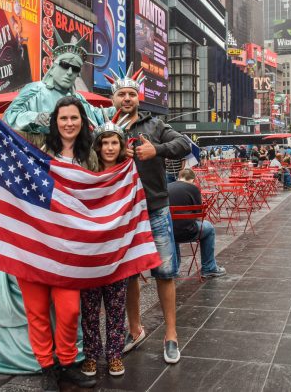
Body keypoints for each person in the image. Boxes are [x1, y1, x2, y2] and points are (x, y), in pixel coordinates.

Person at [0, 35, 106, 376]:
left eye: (76, 68)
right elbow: (11, 122)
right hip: (31, 200)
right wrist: (39, 119)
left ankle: (67, 357)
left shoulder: (80, 104)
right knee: (31, 299)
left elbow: (102, 136)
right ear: (52, 65)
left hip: (68, 212)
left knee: (69, 305)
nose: (71, 72)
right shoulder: (33, 91)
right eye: (65, 66)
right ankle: (45, 363)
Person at [107, 68, 191, 365]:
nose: (127, 98)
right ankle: (134, 329)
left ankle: (171, 336)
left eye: (131, 94)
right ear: (113, 98)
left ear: (138, 97)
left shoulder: (155, 124)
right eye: (122, 94)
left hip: (155, 208)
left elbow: (183, 144)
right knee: (128, 274)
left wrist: (155, 150)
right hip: (123, 213)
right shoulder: (106, 127)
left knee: (165, 273)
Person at [20, 97, 98, 390]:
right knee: (37, 310)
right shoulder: (38, 148)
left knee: (69, 311)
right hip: (36, 243)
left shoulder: (89, 155)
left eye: (74, 118)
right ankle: (47, 368)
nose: (68, 123)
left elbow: (103, 189)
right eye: (63, 118)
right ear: (55, 122)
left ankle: (67, 362)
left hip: (70, 248)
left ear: (82, 121)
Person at [80, 116, 130, 378]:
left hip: (118, 252)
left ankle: (114, 355)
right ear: (98, 147)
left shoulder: (129, 171)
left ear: (120, 146)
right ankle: (90, 355)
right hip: (91, 252)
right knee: (89, 309)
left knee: (115, 308)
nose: (110, 148)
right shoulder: (87, 173)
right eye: (105, 143)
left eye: (114, 143)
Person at [168, 169, 226, 278]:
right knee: (209, 228)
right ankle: (209, 268)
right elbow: (199, 215)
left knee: (173, 226)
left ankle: (173, 269)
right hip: (189, 231)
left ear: (179, 177)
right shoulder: (193, 188)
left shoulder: (167, 187)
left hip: (168, 233)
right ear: (193, 180)